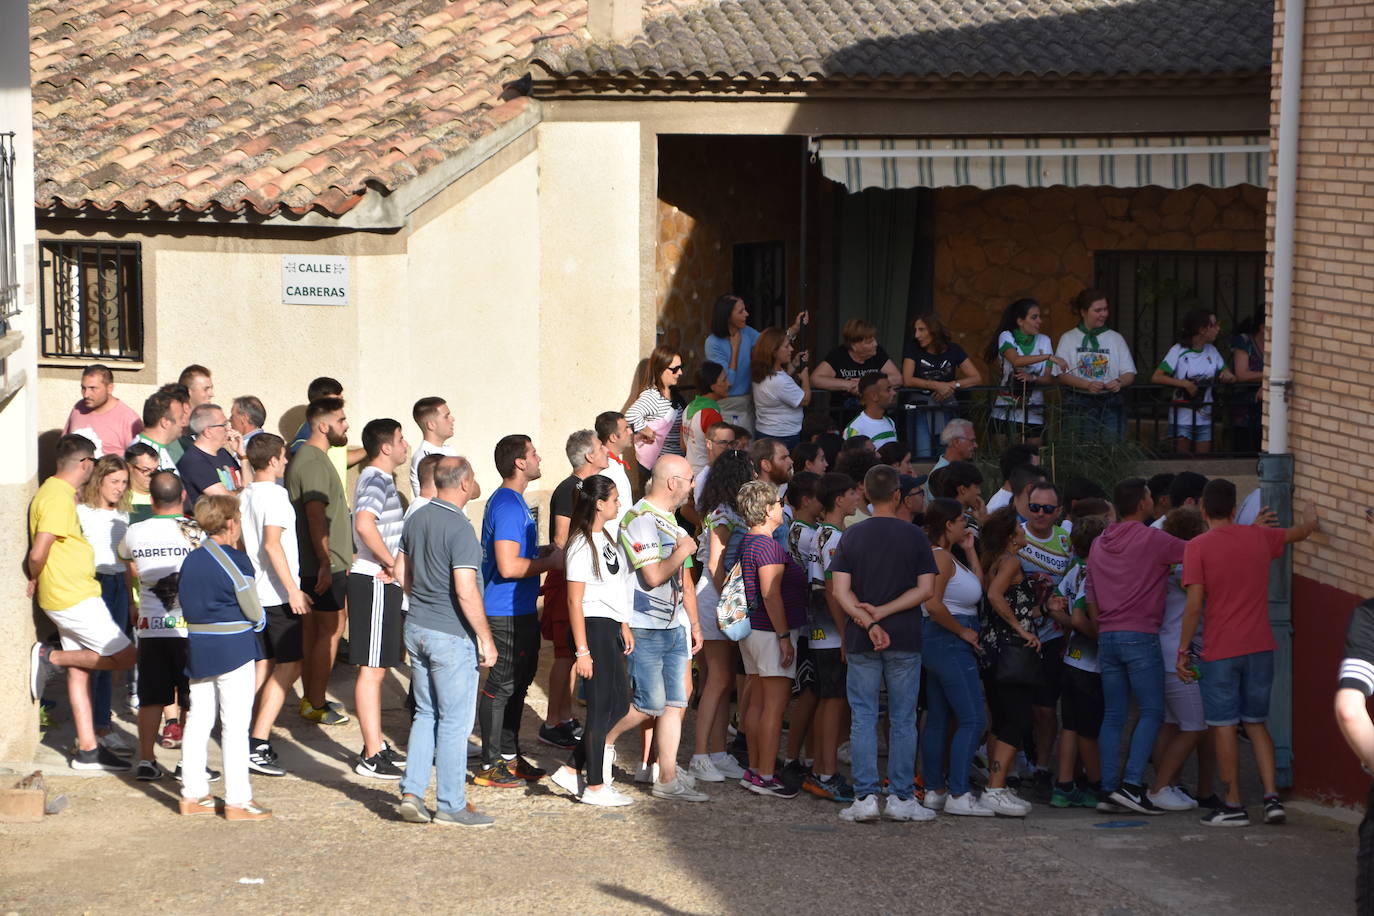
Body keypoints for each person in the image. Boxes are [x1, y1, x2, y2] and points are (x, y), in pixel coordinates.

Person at [1177, 479, 1319, 827]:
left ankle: (1234, 804)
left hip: (1221, 650)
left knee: (1223, 725)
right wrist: (1311, 513)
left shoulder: (1197, 547)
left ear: (1204, 510)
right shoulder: (1260, 537)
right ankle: (1272, 799)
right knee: (1256, 723)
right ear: (1233, 506)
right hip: (1260, 646)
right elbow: (1299, 533)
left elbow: (1194, 605)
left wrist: (1182, 649)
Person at [830, 464, 938, 823]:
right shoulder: (915, 536)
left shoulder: (852, 536)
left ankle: (864, 797)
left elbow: (840, 591)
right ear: (897, 495)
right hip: (905, 634)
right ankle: (901, 797)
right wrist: (886, 613)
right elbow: (926, 590)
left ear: (865, 494)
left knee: (863, 717)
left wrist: (868, 620)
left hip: (863, 636)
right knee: (903, 718)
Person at [396, 457, 497, 827]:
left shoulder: (417, 517)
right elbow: (466, 590)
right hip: (451, 635)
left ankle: (411, 792)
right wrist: (485, 638)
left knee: (425, 714)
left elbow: (400, 573)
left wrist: (422, 602)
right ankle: (451, 804)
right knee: (455, 723)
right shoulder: (460, 527)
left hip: (418, 626)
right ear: (466, 482)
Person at [28, 434, 137, 771]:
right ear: (86, 464)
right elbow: (39, 551)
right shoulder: (59, 498)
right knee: (125, 655)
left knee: (81, 672)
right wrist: (34, 574)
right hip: (73, 595)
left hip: (72, 592)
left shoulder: (55, 492)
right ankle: (51, 657)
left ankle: (88, 748)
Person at [608, 454, 708, 802]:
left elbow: (685, 582)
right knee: (647, 704)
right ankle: (598, 744)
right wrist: (682, 552)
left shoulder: (673, 522)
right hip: (645, 626)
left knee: (674, 703)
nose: (694, 485)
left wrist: (693, 622)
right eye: (690, 479)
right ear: (672, 482)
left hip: (673, 626)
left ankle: (666, 777)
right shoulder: (639, 520)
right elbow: (652, 576)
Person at [1085, 478, 1185, 815]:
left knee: (1113, 715)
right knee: (1152, 711)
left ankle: (1108, 788)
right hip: (1140, 635)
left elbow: (1091, 594)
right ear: (1143, 504)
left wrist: (1103, 628)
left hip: (1107, 636)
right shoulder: (1152, 539)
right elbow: (1195, 552)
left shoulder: (1099, 543)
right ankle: (1130, 785)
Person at [176, 493, 270, 820]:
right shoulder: (236, 559)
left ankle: (192, 794)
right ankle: (238, 800)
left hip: (199, 645)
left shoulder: (191, 559)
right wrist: (259, 621)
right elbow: (251, 606)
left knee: (198, 719)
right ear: (230, 523)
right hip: (234, 648)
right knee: (235, 726)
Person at [476, 434, 563, 787]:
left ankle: (509, 757)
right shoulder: (510, 506)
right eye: (533, 453)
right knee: (502, 684)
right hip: (504, 610)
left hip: (520, 607)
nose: (539, 457)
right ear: (519, 463)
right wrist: (550, 562)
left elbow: (516, 556)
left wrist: (543, 552)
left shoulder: (513, 502)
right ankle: (489, 763)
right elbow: (509, 567)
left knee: (519, 682)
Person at [549, 475, 636, 806]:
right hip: (591, 626)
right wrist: (582, 651)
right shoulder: (581, 543)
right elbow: (575, 601)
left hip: (610, 624)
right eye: (614, 499)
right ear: (599, 503)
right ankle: (596, 786)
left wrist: (624, 623)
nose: (618, 503)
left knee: (619, 704)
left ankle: (573, 769)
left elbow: (615, 586)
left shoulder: (607, 537)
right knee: (600, 707)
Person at [119, 470, 202, 780]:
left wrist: (133, 598)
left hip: (151, 627)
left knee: (152, 697)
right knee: (192, 698)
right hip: (188, 628)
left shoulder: (134, 531)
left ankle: (146, 760)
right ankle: (188, 763)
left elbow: (127, 561)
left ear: (151, 500)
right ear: (182, 497)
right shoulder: (195, 530)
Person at [238, 434, 311, 776]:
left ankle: (238, 732)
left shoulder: (245, 495)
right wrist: (293, 590)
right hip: (275, 597)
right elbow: (272, 544)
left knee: (262, 665)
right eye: (283, 457)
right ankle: (257, 741)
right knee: (290, 666)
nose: (285, 462)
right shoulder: (276, 495)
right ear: (272, 461)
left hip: (253, 595)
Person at [733, 480, 807, 798]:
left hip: (752, 631)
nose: (781, 506)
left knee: (758, 703)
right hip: (769, 631)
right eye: (777, 502)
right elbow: (771, 594)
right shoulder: (768, 546)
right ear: (766, 509)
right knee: (774, 708)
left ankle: (754, 769)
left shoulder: (749, 541)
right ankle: (765, 774)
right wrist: (783, 637)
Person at [918, 498, 991, 816]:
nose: (967, 524)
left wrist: (970, 548)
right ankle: (959, 792)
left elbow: (978, 586)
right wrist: (962, 633)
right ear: (948, 524)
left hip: (940, 639)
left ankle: (936, 789)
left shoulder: (947, 556)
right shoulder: (942, 558)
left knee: (939, 717)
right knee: (973, 718)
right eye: (962, 520)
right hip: (950, 637)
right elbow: (933, 604)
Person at [284, 396, 352, 726]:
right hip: (323, 566)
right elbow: (314, 517)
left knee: (320, 633)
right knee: (330, 631)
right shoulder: (311, 461)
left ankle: (313, 699)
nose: (346, 425)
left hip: (327, 562)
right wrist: (326, 562)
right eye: (341, 420)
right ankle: (316, 701)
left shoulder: (317, 457)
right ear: (323, 425)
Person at [541, 430, 610, 751]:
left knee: (569, 653)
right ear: (588, 456)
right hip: (569, 580)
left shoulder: (586, 488)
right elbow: (560, 539)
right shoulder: (569, 489)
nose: (605, 450)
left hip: (580, 579)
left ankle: (565, 717)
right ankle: (553, 721)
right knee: (564, 655)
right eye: (600, 447)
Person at [348, 419, 410, 779]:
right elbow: (363, 524)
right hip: (372, 580)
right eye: (401, 439)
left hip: (382, 582)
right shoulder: (373, 478)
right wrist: (389, 561)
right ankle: (371, 754)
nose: (405, 445)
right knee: (371, 672)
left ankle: (376, 745)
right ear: (386, 447)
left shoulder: (382, 480)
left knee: (380, 666)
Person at [689, 449, 754, 783]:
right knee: (716, 679)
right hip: (716, 597)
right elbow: (715, 563)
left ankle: (716, 752)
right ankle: (700, 754)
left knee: (723, 679)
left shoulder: (725, 509)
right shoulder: (723, 512)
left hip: (719, 595)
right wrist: (729, 600)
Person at [799, 472, 859, 803]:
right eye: (853, 491)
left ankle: (822, 770)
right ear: (839, 499)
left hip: (818, 628)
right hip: (832, 631)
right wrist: (847, 632)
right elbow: (834, 590)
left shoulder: (820, 533)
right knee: (833, 702)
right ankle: (826, 772)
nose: (858, 496)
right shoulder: (835, 537)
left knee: (827, 700)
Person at [1147, 507, 1211, 811]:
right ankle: (1160, 787)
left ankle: (1167, 785)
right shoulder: (1187, 567)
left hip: (1163, 650)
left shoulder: (1165, 563)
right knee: (1195, 725)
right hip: (1178, 654)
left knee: (1170, 724)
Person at [976, 507, 1037, 817]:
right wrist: (1019, 627)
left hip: (992, 649)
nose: (1025, 530)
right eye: (1020, 527)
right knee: (1017, 719)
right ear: (1011, 535)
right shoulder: (1010, 562)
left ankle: (995, 784)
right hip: (1010, 650)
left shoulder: (994, 561)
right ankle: (996, 788)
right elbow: (996, 596)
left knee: (1001, 719)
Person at [1048, 513, 1109, 809]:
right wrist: (1098, 635)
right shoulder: (1091, 572)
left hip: (1071, 660)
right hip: (1089, 664)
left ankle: (1063, 785)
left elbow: (1054, 604)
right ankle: (1099, 785)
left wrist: (1063, 619)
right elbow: (1079, 616)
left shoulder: (1073, 570)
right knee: (1088, 728)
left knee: (1070, 726)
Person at [76, 454, 133, 756]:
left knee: (112, 658)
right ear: (100, 480)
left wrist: (129, 599)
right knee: (96, 658)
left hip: (117, 585)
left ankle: (102, 720)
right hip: (94, 583)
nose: (120, 488)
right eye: (114, 481)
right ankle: (96, 725)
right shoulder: (82, 512)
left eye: (124, 482)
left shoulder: (122, 516)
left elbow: (122, 560)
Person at [1019, 480, 1073, 796]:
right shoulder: (1014, 537)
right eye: (1035, 507)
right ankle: (1015, 762)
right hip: (1018, 635)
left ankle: (1041, 767)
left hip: (1052, 636)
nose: (1040, 514)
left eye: (1047, 509)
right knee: (1015, 704)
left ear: (1059, 512)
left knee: (1045, 708)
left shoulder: (1067, 541)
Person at [1152, 309, 1236, 454]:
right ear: (1202, 330)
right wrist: (1184, 383)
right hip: (1182, 418)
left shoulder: (1212, 351)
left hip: (1205, 416)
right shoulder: (1178, 350)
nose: (1218, 329)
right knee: (1181, 463)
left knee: (1203, 463)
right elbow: (1157, 377)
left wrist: (1227, 376)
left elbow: (1230, 375)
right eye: (1214, 325)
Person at [1055, 288, 1137, 440]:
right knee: (1083, 447)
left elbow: (1129, 373)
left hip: (1111, 400)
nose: (1103, 314)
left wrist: (1119, 381)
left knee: (1113, 445)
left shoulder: (1116, 338)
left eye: (1105, 309)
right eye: (1098, 310)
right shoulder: (1068, 338)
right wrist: (1086, 385)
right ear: (1083, 312)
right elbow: (1062, 375)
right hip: (1079, 400)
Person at [985, 298, 1065, 444]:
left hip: (1033, 408)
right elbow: (1015, 360)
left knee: (1033, 455)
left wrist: (1032, 378)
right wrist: (1047, 356)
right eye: (1034, 317)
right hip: (1005, 408)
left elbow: (1048, 378)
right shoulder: (1007, 336)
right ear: (1020, 321)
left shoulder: (1044, 340)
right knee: (1004, 455)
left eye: (1040, 317)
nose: (1040, 321)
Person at [901, 313, 980, 459]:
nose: (917, 335)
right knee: (923, 454)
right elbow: (907, 379)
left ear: (934, 330)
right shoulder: (913, 348)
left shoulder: (954, 349)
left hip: (946, 405)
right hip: (921, 406)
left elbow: (976, 377)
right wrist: (937, 385)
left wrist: (950, 385)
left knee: (946, 453)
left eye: (921, 329)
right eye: (915, 330)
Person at [703, 294, 762, 431]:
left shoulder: (747, 332)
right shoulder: (713, 343)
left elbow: (770, 344)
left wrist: (793, 330)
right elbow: (728, 381)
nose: (746, 314)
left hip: (747, 402)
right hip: (728, 404)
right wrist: (735, 349)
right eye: (741, 311)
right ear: (727, 316)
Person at [624, 346, 686, 472]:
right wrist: (647, 431)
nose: (680, 372)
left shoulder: (674, 394)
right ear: (660, 369)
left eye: (681, 367)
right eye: (675, 369)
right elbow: (630, 415)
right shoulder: (653, 396)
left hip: (674, 463)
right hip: (661, 467)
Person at [751, 327, 811, 450]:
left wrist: (793, 365)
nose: (791, 349)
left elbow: (778, 390)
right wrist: (805, 379)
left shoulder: (762, 372)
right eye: (787, 346)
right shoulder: (779, 381)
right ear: (774, 351)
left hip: (766, 431)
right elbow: (804, 400)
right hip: (784, 436)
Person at [64, 364, 142, 457]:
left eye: (93, 388)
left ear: (110, 388)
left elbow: (137, 461)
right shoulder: (78, 409)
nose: (86, 394)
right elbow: (64, 448)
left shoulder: (128, 419)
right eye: (83, 388)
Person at [177, 403, 243, 513]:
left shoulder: (223, 452)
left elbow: (250, 485)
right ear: (208, 431)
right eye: (224, 425)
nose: (229, 429)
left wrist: (242, 456)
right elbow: (225, 499)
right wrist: (242, 491)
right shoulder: (193, 461)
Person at [812, 317, 902, 397]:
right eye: (869, 342)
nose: (875, 344)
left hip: (873, 413)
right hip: (844, 413)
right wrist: (849, 384)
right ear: (854, 346)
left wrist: (866, 384)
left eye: (874, 339)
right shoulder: (838, 354)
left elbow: (897, 378)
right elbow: (815, 379)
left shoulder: (878, 352)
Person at [682, 361, 728, 476]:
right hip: (706, 475)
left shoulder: (689, 407)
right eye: (724, 380)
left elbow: (683, 445)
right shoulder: (711, 414)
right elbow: (718, 452)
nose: (729, 384)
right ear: (713, 387)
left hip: (689, 472)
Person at [1230, 313, 1266, 453]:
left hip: (1266, 408)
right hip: (1245, 408)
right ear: (1262, 327)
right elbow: (1242, 374)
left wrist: (1267, 384)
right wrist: (1270, 377)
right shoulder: (1244, 342)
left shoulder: (1280, 344)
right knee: (1245, 449)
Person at [409, 397, 457, 499]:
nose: (452, 419)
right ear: (431, 425)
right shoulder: (423, 458)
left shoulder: (450, 451)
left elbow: (474, 491)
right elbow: (435, 500)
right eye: (446, 416)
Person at [929, 460, 986, 539]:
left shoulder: (942, 518)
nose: (979, 492)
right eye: (976, 487)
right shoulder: (962, 528)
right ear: (962, 489)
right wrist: (983, 521)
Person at [134, 389, 187, 471]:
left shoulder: (155, 448)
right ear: (165, 422)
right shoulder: (146, 457)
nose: (184, 422)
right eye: (180, 418)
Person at [842, 372, 897, 447]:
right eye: (888, 390)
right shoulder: (855, 429)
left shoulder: (890, 422)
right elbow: (852, 458)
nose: (894, 393)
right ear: (874, 396)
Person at [595, 410, 635, 506]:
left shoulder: (614, 462)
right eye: (626, 429)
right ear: (613, 437)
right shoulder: (605, 468)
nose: (630, 432)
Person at [987, 443, 1040, 512]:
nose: (1040, 474)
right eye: (1036, 469)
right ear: (1019, 471)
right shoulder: (998, 508)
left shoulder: (1025, 498)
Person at [175, 365, 215, 454]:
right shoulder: (173, 427)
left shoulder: (203, 423)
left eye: (211, 388)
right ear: (189, 392)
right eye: (206, 389)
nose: (212, 394)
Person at [124, 442, 161, 525]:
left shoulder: (163, 496)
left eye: (155, 470)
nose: (151, 475)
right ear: (129, 467)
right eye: (145, 470)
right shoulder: (119, 497)